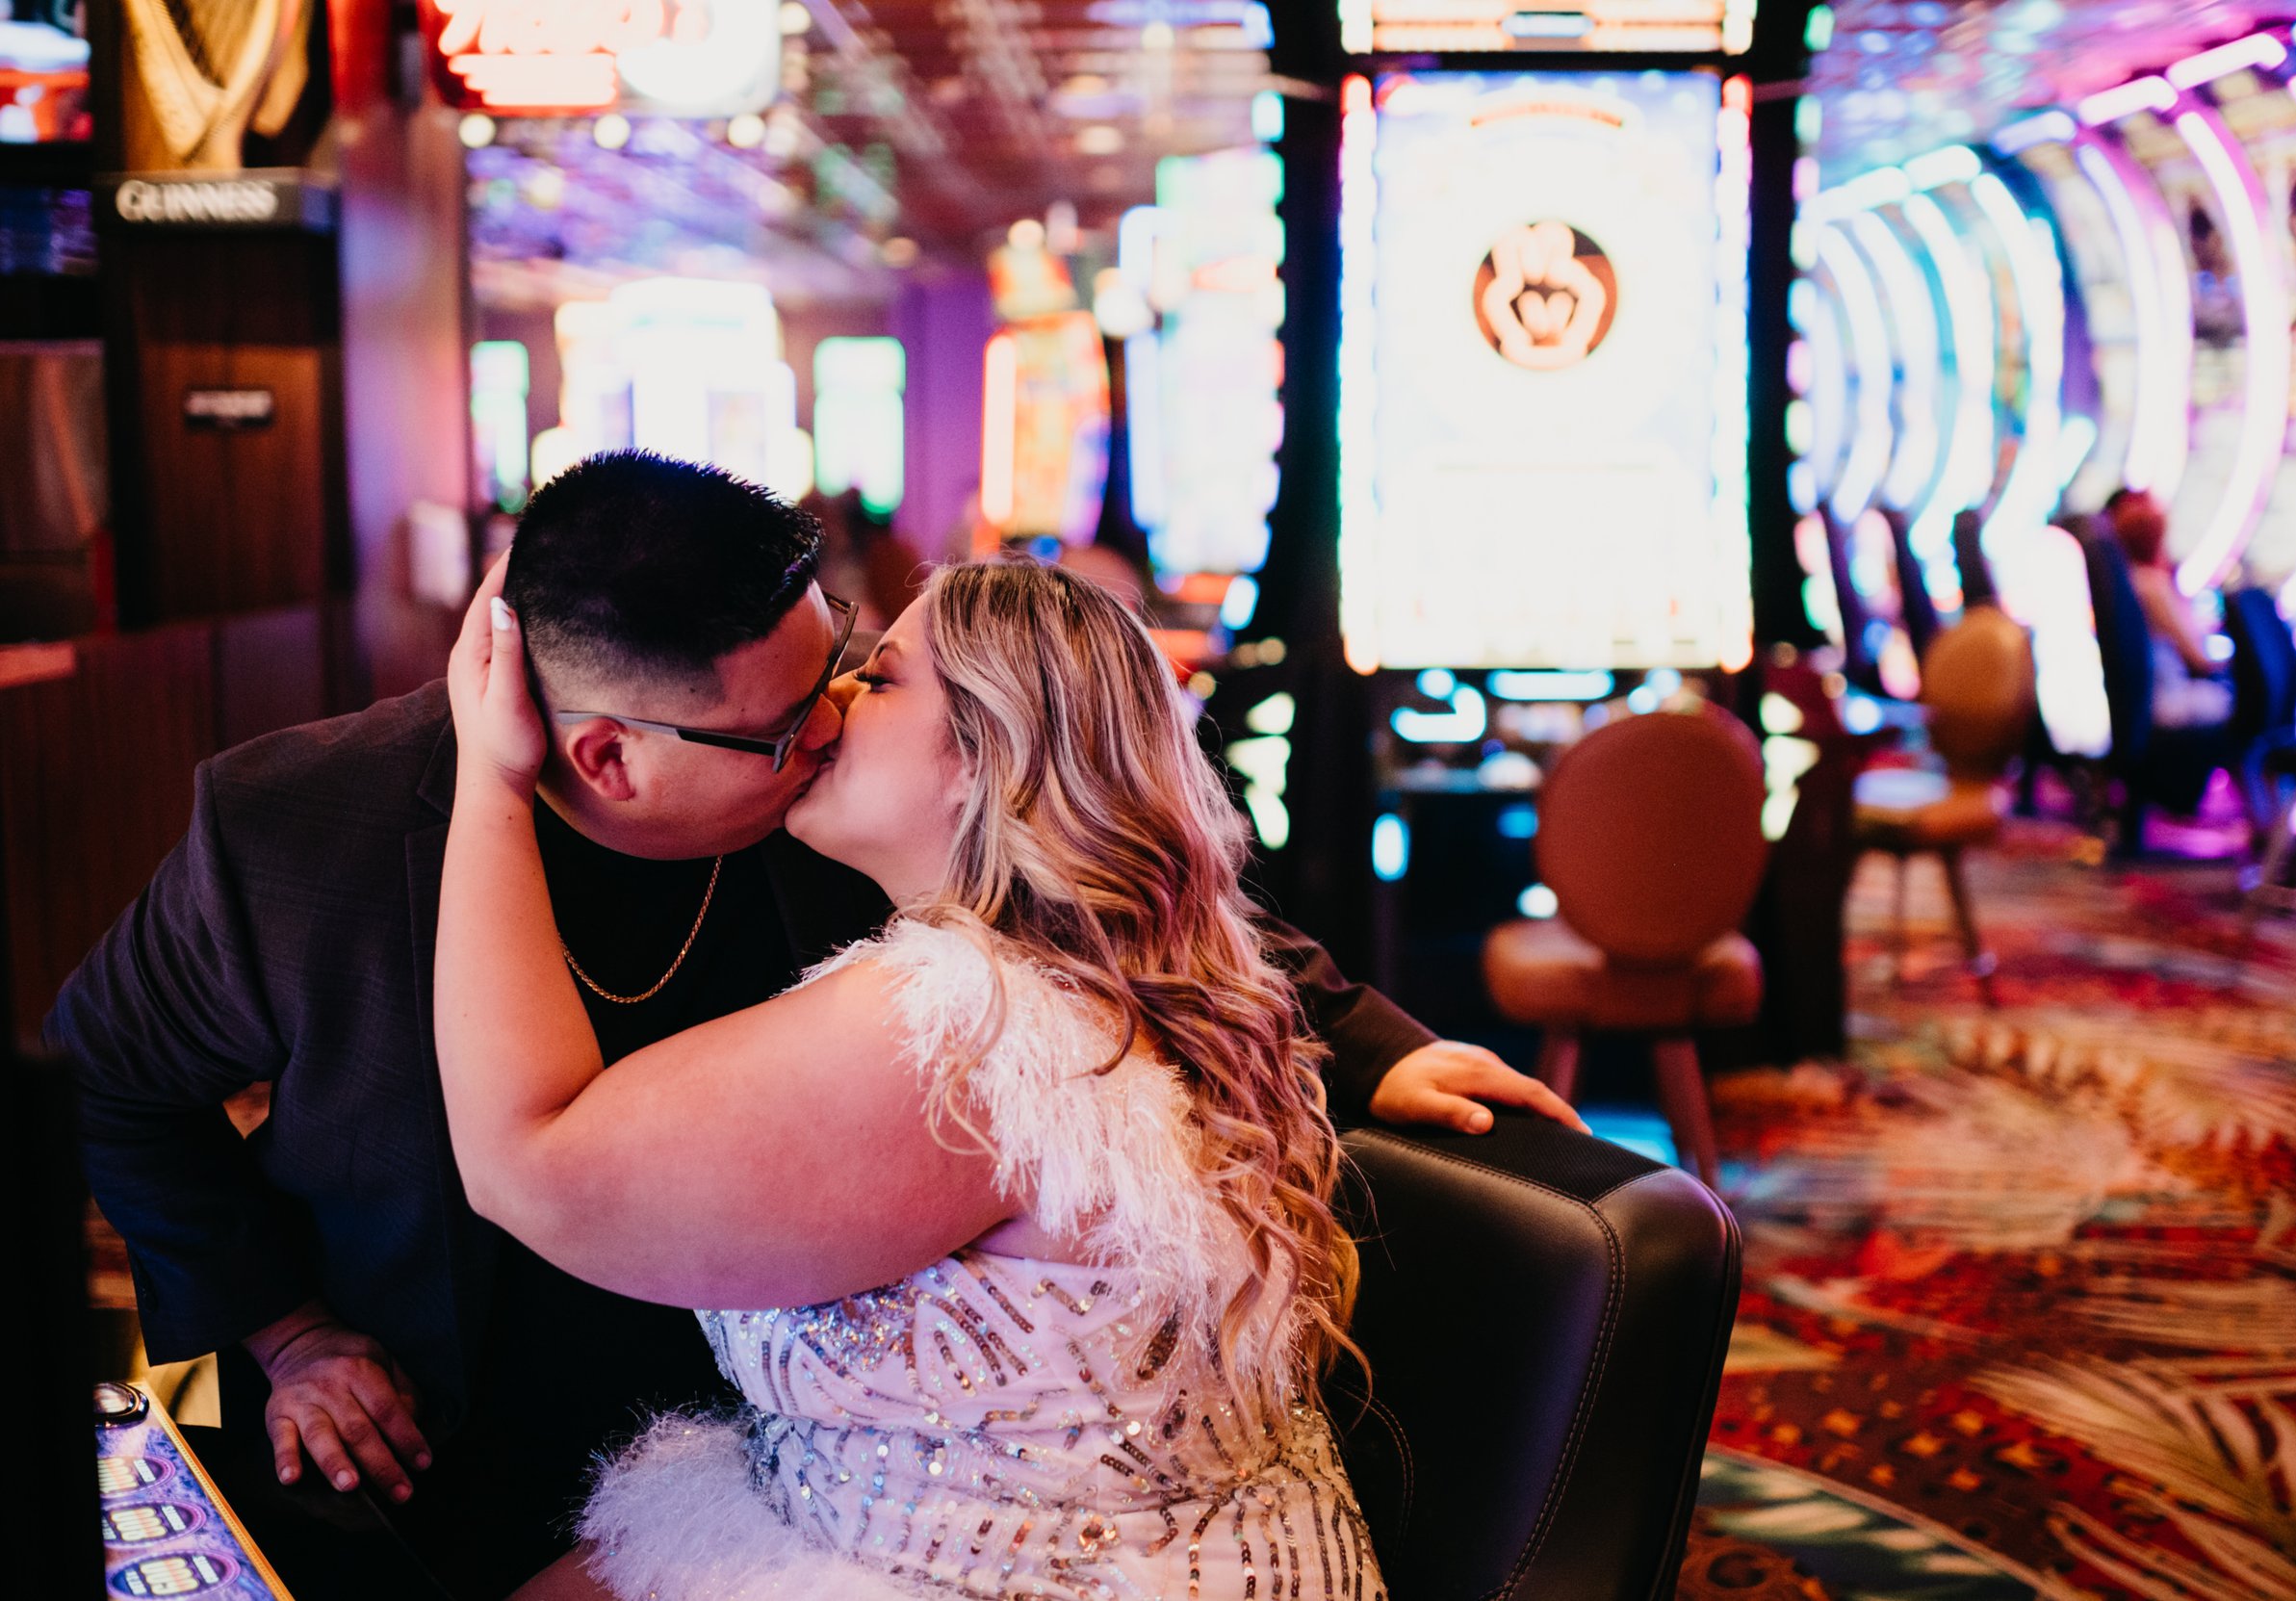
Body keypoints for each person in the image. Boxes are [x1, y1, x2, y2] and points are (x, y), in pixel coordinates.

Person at [51, 452, 1577, 1600]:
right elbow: (113, 1082)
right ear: (608, 753)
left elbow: (1092, 866)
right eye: (793, 720)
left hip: (791, 1428)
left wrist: (1372, 1040)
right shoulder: (295, 832)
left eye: (846, 657)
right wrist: (293, 1330)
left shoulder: (831, 806)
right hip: (420, 1414)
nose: (835, 713)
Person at [2104, 488, 2232, 730]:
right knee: (2231, 699)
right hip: (2165, 704)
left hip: (2143, 707)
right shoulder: (2151, 585)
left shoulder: (2126, 581)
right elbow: (2198, 658)